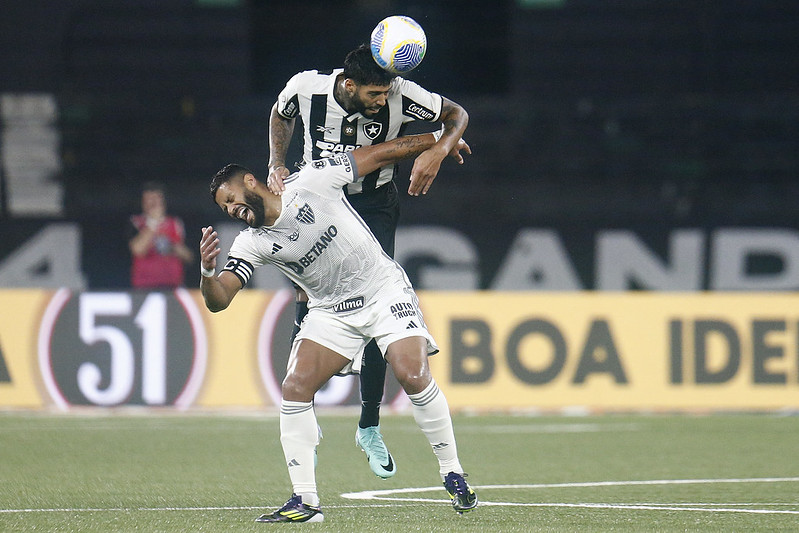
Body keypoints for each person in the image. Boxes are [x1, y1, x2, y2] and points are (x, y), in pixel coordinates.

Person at [199, 131, 477, 523]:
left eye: (230, 199)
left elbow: (381, 153)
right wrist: (208, 271)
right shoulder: (252, 243)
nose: (230, 210)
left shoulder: (311, 181)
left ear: (250, 182)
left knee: (411, 373)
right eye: (224, 208)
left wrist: (440, 140)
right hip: (331, 311)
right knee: (295, 386)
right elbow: (219, 299)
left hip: (381, 290)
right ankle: (305, 502)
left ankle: (452, 472)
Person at [267, 44, 469, 479]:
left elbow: (456, 115)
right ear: (349, 85)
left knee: (378, 306)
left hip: (374, 204)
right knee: (309, 302)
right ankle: (308, 427)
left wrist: (437, 148)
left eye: (386, 94)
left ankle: (369, 425)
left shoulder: (400, 92)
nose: (383, 101)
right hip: (317, 203)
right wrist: (276, 163)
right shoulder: (307, 87)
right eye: (375, 94)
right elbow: (280, 112)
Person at [128, 181, 193, 289]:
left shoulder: (176, 223)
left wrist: (171, 246)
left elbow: (188, 256)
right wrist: (154, 223)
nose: (153, 204)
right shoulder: (136, 222)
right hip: (144, 287)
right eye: (149, 199)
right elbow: (138, 250)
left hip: (172, 286)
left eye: (156, 199)